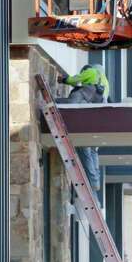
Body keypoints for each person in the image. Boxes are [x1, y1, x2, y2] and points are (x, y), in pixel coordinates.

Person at [56, 60, 109, 191]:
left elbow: (75, 79)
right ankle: (96, 180)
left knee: (85, 150)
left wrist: (63, 80)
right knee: (93, 150)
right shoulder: (105, 83)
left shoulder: (91, 72)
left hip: (86, 122)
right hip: (97, 121)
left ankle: (92, 181)